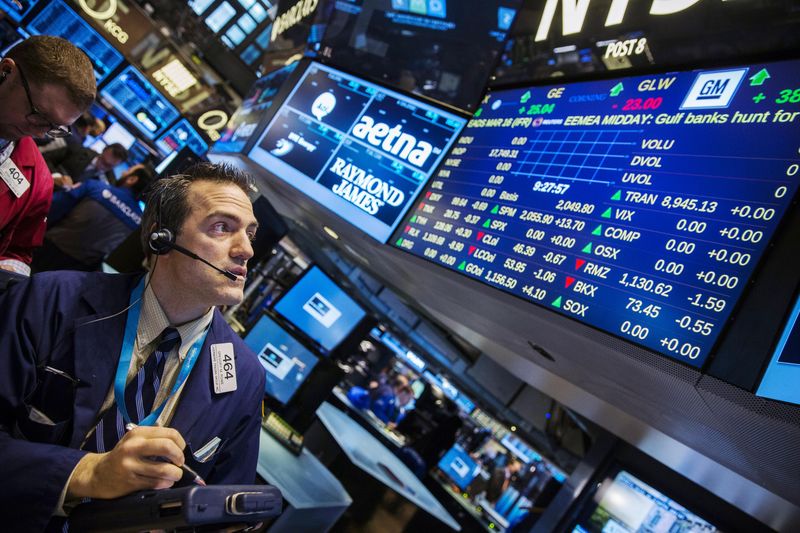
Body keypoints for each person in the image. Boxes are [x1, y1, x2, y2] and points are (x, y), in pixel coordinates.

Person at [0, 162, 266, 532]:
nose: (246, 251)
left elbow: (221, 508)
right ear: (162, 238)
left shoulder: (246, 376)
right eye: (222, 227)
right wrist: (84, 473)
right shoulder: (52, 299)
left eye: (251, 234)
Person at [0, 35, 96, 275]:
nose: (41, 132)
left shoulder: (38, 181)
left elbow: (17, 251)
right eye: (39, 114)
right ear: (6, 71)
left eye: (54, 126)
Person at [32, 164, 153, 272]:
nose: (123, 172)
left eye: (128, 170)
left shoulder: (95, 188)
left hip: (42, 251)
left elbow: (51, 207)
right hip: (75, 272)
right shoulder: (139, 224)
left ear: (132, 179)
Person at [45, 141, 128, 187]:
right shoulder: (78, 151)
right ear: (103, 150)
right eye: (103, 161)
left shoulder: (109, 184)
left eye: (109, 166)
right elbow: (46, 158)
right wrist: (56, 176)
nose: (103, 167)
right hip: (46, 184)